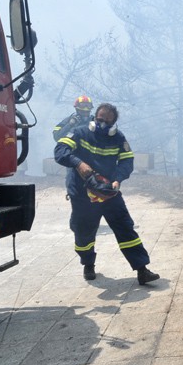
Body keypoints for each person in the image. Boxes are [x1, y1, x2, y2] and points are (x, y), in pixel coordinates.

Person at [54, 102, 159, 285]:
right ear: (94, 118)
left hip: (109, 192)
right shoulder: (79, 132)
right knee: (84, 233)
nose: (102, 124)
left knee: (125, 228)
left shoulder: (118, 137)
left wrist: (118, 179)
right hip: (82, 193)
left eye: (107, 122)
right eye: (100, 119)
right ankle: (88, 264)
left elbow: (127, 161)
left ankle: (142, 269)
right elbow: (60, 151)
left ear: (113, 124)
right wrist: (78, 163)